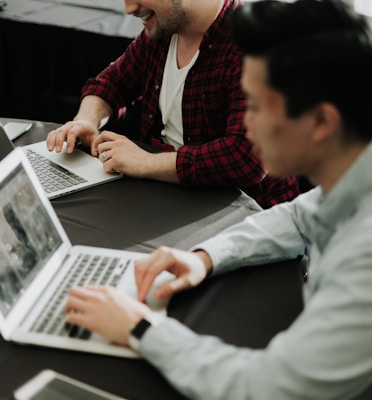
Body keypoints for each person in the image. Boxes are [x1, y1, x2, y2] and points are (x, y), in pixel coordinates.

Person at [64, 0, 372, 399]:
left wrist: (142, 328)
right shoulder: (351, 179)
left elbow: (266, 388)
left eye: (257, 107)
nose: (245, 123)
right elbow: (298, 218)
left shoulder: (363, 264)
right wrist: (203, 257)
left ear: (321, 122)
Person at [45, 0, 299, 209]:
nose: (128, 8)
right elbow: (112, 83)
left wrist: (145, 163)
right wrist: (86, 119)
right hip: (170, 199)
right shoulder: (163, 32)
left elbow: (246, 159)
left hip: (244, 219)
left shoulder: (257, 44)